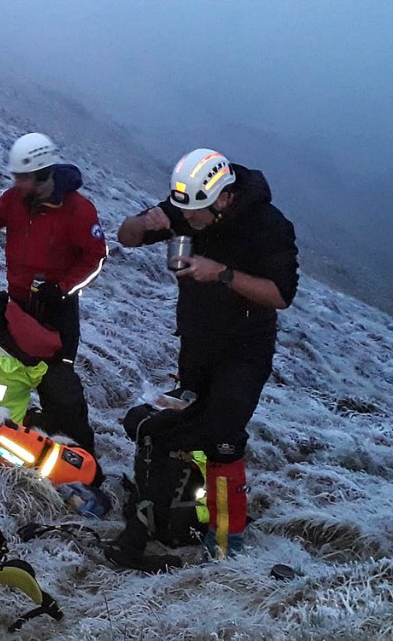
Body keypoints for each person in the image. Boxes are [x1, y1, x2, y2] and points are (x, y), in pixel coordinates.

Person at [107, 148, 298, 568]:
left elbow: (281, 295)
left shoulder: (269, 226)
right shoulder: (185, 205)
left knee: (224, 436)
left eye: (196, 213)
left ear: (224, 198)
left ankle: (227, 543)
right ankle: (184, 509)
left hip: (245, 348)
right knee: (188, 422)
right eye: (182, 211)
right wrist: (142, 223)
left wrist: (222, 274)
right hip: (196, 341)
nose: (187, 219)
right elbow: (125, 236)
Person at [0, 133, 108, 458]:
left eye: (23, 177)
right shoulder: (15, 198)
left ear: (44, 175)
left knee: (60, 391)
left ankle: (79, 459)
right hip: (16, 308)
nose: (16, 183)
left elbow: (96, 258)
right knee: (0, 375)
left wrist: (61, 290)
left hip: (56, 315)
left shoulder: (79, 211)